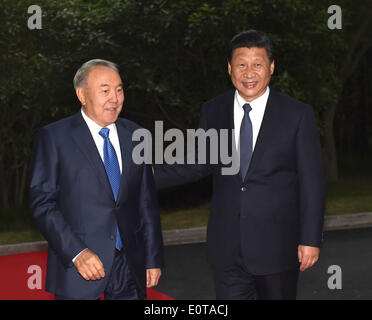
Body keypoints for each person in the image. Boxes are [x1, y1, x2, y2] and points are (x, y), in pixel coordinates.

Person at [154, 30, 325, 300]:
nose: (249, 72)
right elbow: (198, 163)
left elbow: (312, 183)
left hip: (278, 249)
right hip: (227, 250)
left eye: (257, 64)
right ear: (229, 68)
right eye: (241, 64)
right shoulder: (214, 110)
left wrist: (311, 238)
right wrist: (142, 175)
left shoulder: (297, 114)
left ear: (271, 67)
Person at [29, 59, 164, 300]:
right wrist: (77, 252)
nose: (115, 98)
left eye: (119, 90)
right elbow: (42, 204)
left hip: (129, 266)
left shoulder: (136, 134)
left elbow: (146, 201)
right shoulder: (54, 138)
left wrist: (153, 257)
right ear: (82, 95)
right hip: (78, 266)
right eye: (105, 91)